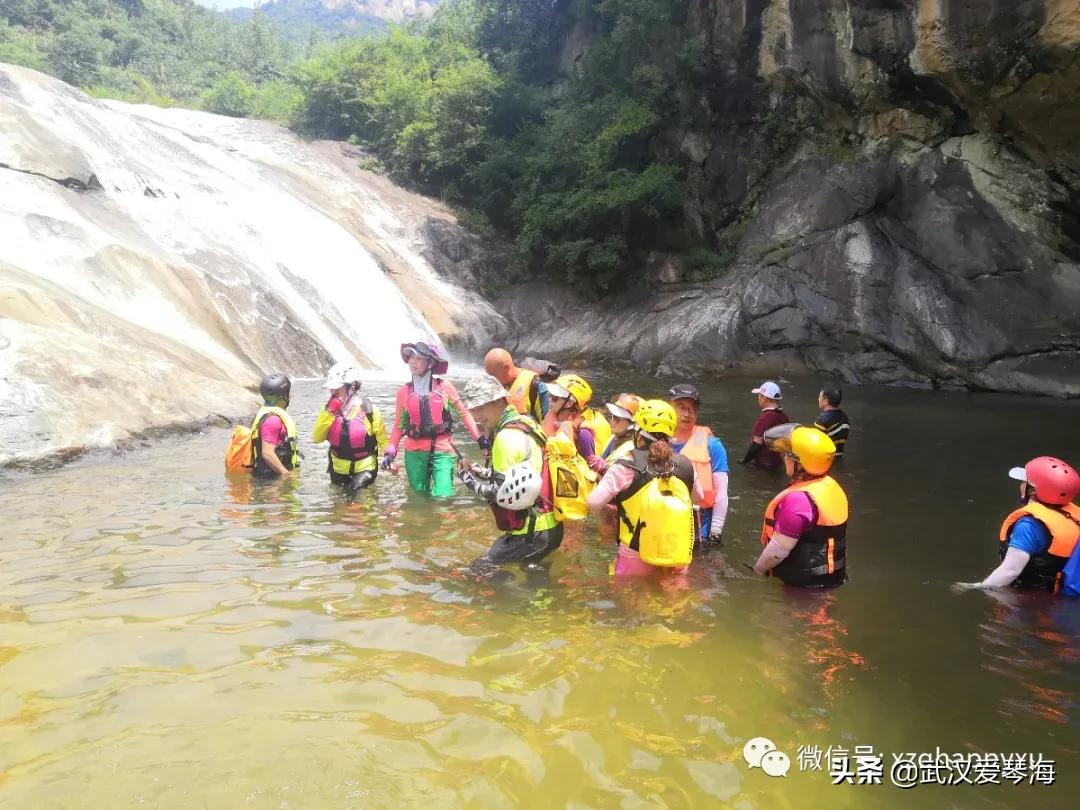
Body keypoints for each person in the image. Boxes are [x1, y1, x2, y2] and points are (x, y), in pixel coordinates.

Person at [456, 374, 563, 569]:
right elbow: (518, 475)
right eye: (473, 410)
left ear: (498, 401)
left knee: (477, 572)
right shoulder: (527, 423)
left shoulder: (506, 438)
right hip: (550, 527)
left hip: (531, 533)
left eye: (480, 408)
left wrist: (465, 477)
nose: (477, 416)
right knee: (535, 585)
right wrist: (478, 470)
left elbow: (498, 493)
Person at [588, 400, 703, 576]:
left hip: (635, 554)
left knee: (631, 601)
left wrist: (610, 511)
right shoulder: (686, 465)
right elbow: (697, 498)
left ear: (638, 431)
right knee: (675, 602)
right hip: (676, 554)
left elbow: (594, 503)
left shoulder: (626, 466)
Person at [959, 457, 1080, 593]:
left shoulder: (1028, 526)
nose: (1021, 485)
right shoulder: (1076, 516)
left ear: (1032, 490)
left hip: (1037, 603)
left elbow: (1010, 571)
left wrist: (976, 587)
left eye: (1024, 482)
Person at [382, 341, 487, 497]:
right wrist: (390, 453)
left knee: (443, 496)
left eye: (418, 358)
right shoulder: (403, 392)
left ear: (430, 362)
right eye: (410, 357)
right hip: (414, 452)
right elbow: (398, 426)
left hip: (443, 450)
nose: (412, 361)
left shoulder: (445, 388)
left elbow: (464, 414)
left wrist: (481, 441)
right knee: (418, 499)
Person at [752, 424, 848, 587]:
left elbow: (777, 551)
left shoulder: (798, 501)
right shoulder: (831, 487)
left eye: (788, 455)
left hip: (803, 587)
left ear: (800, 463)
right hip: (832, 578)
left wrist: (757, 572)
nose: (784, 458)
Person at [311, 362, 388, 493]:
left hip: (365, 468)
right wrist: (328, 413)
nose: (333, 393)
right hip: (338, 470)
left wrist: (389, 458)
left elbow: (383, 440)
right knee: (339, 507)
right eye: (331, 389)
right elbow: (317, 438)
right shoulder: (328, 412)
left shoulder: (370, 411)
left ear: (351, 388)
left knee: (356, 499)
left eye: (338, 389)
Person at [668, 384, 729, 546]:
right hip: (664, 523)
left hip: (700, 528)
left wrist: (715, 533)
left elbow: (721, 494)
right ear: (669, 408)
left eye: (692, 409)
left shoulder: (713, 446)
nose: (687, 414)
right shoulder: (655, 440)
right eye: (681, 408)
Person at [483, 348, 551, 423]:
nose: (490, 379)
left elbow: (546, 424)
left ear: (506, 368)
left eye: (492, 375)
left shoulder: (535, 386)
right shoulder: (495, 388)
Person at [251, 373, 298, 478]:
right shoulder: (272, 420)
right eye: (288, 393)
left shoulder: (268, 412)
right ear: (283, 396)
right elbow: (267, 453)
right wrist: (285, 473)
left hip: (274, 475)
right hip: (271, 479)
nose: (290, 396)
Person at [587, 393, 642, 475]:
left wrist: (605, 468)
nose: (613, 421)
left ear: (633, 424)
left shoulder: (633, 450)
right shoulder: (613, 437)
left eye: (617, 419)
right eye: (612, 416)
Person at [740, 381, 788, 470]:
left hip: (764, 465)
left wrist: (744, 461)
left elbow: (757, 444)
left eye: (759, 395)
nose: (758, 398)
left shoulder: (765, 417)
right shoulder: (783, 416)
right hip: (778, 463)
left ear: (764, 398)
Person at [813, 387, 850, 458]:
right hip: (839, 457)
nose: (818, 399)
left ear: (826, 401)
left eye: (820, 397)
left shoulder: (822, 419)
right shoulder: (844, 417)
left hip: (825, 459)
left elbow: (814, 444)